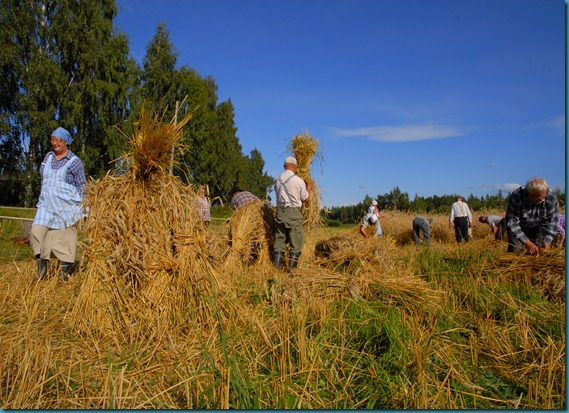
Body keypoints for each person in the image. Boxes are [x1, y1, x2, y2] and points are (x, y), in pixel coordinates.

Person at [30, 127, 86, 281]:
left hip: (66, 206)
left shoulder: (74, 162)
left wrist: (84, 206)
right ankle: (42, 270)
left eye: (58, 140)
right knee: (37, 231)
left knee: (65, 238)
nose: (54, 143)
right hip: (46, 204)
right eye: (52, 140)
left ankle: (64, 274)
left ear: (66, 142)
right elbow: (44, 178)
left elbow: (82, 185)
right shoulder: (48, 157)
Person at [273, 156, 313, 270]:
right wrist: (309, 188)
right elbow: (306, 199)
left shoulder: (278, 180)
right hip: (293, 213)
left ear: (284, 166)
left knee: (279, 241)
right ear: (294, 166)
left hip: (280, 212)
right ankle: (292, 272)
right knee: (296, 241)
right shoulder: (298, 180)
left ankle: (276, 269)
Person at [505, 177, 558, 255]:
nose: (543, 200)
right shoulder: (517, 196)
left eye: (544, 196)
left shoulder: (551, 197)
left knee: (539, 252)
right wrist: (528, 243)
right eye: (539, 198)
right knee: (515, 251)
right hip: (518, 227)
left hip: (538, 226)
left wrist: (547, 241)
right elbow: (512, 223)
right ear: (530, 195)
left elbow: (551, 222)